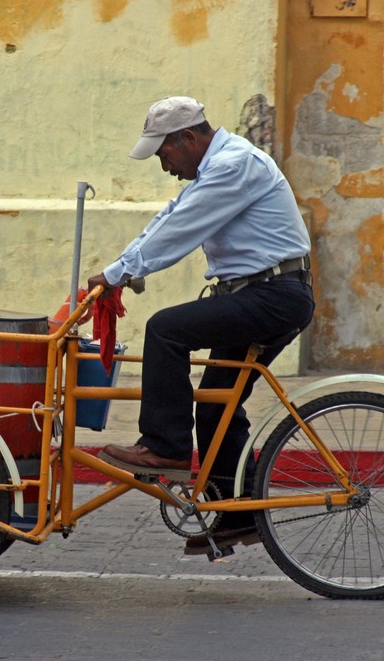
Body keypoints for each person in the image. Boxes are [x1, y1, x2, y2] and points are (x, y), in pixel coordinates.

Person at [88, 96, 315, 557]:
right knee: (215, 408)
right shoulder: (215, 168)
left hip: (272, 296)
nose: (163, 163)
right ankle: (239, 515)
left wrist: (119, 274)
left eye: (164, 153)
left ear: (188, 139)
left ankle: (165, 448)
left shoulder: (233, 166)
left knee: (166, 329)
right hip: (257, 294)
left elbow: (182, 229)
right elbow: (168, 219)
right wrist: (120, 269)